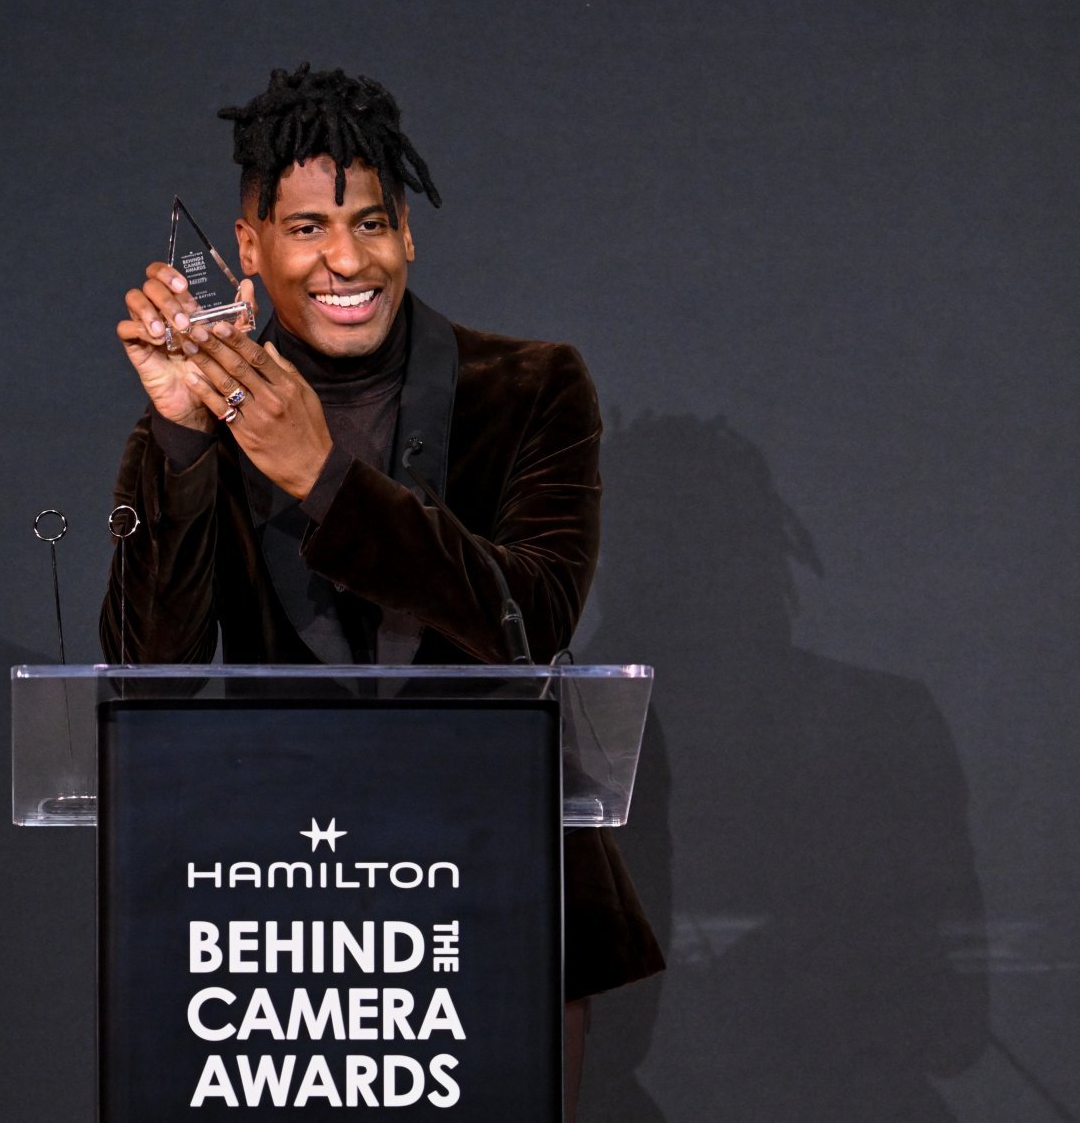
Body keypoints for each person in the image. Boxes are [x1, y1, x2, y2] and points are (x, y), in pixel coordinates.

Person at [102, 63, 663, 1113]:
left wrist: (325, 481)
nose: (345, 259)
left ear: (408, 231)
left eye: (370, 222)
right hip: (283, 921)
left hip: (497, 896)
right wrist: (179, 433)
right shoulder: (204, 413)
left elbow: (528, 617)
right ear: (253, 246)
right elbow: (148, 679)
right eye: (307, 229)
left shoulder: (531, 384)